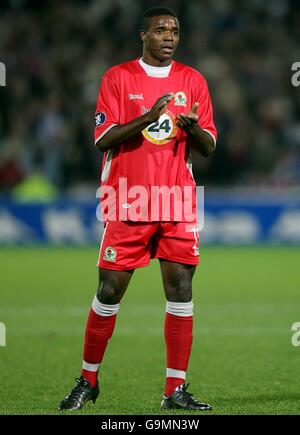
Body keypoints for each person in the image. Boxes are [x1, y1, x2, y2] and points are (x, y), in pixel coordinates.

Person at [59, 6, 217, 411]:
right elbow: (103, 138)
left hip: (176, 200)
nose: (169, 36)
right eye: (161, 29)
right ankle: (87, 380)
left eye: (175, 30)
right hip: (127, 198)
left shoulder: (193, 80)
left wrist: (192, 128)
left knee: (181, 291)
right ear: (142, 35)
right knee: (109, 291)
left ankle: (174, 391)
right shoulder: (117, 77)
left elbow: (209, 145)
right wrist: (148, 116)